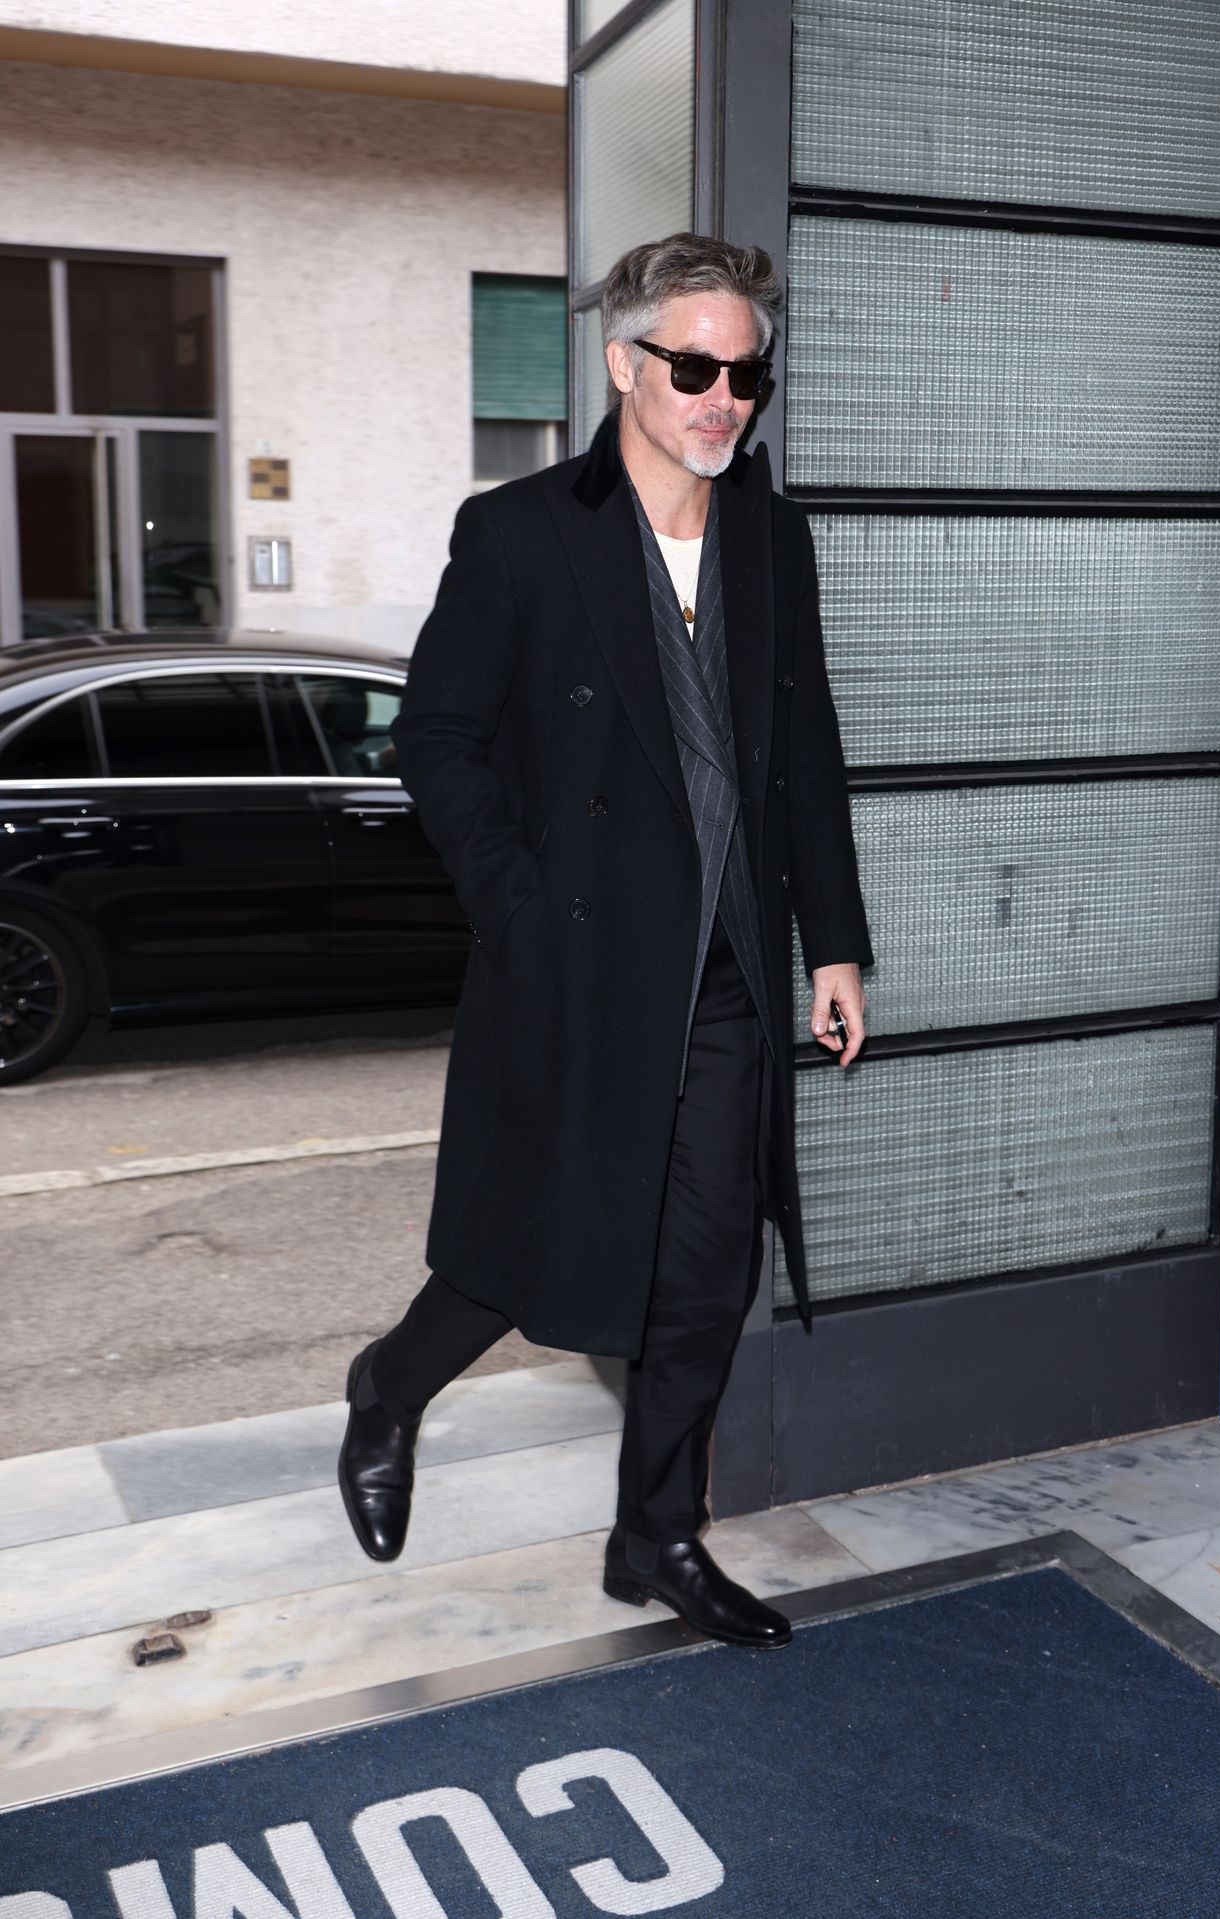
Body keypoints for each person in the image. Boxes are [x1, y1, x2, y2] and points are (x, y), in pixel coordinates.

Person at [338, 231, 873, 1650]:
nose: (723, 398)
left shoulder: (774, 535)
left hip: (733, 974)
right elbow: (438, 741)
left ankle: (657, 1540)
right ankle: (390, 1388)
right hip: (580, 960)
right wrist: (516, 904)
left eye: (746, 373)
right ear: (626, 365)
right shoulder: (520, 532)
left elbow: (802, 752)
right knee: (531, 1253)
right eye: (694, 367)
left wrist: (835, 943)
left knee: (706, 1273)